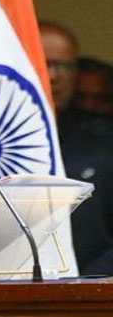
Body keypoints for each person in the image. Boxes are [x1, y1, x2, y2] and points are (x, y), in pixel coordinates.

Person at [39, 20, 113, 275]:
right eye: (43, 62)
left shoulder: (103, 142)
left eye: (63, 66)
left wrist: (84, 284)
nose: (53, 76)